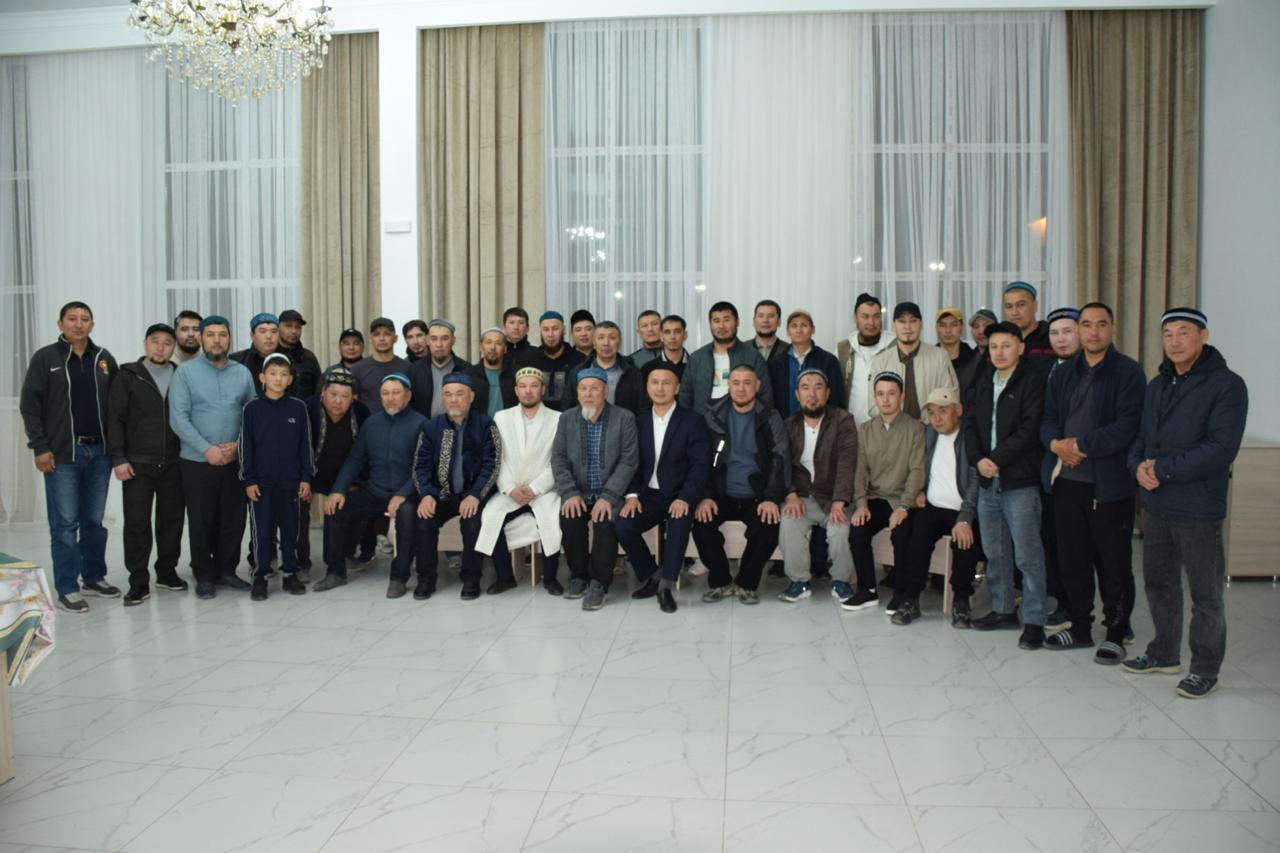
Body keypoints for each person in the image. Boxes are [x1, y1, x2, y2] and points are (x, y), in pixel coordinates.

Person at [1123, 307, 1248, 699]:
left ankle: (1205, 668)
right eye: (1168, 334)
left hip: (1198, 505)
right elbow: (1141, 437)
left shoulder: (1227, 385)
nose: (1175, 342)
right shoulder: (1157, 385)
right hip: (1156, 502)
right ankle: (1163, 653)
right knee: (1159, 583)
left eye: (1184, 332)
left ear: (1203, 336)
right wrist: (1137, 467)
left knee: (1205, 593)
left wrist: (1162, 469)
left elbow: (1221, 448)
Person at [1040, 302, 1144, 661]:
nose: (1094, 332)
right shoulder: (1063, 373)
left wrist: (1080, 446)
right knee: (1073, 560)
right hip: (1067, 481)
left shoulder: (1128, 372)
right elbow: (1048, 418)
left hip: (1109, 486)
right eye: (1087, 325)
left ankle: (1115, 631)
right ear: (1079, 330)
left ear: (1112, 328)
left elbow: (1128, 426)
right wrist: (1056, 445)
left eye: (1101, 324)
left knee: (1114, 564)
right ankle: (1080, 627)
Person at [20, 301, 121, 612]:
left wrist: (117, 449)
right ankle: (67, 587)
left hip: (100, 452)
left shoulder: (104, 359)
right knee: (64, 524)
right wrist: (40, 447)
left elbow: (118, 406)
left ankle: (94, 577)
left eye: (85, 319)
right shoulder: (46, 358)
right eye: (72, 318)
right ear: (60, 323)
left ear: (92, 324)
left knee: (94, 521)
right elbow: (30, 406)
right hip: (63, 453)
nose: (79, 324)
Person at [964, 321, 1048, 650]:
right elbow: (971, 423)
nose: (999, 352)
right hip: (988, 480)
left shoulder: (1032, 380)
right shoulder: (985, 379)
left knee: (1027, 555)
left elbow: (1029, 430)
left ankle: (1035, 619)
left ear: (1021, 348)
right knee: (995, 552)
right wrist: (978, 460)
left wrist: (996, 459)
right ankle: (1003, 609)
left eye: (1007, 345)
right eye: (994, 346)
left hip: (1019, 481)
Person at [168, 315, 256, 600]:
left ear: (229, 338)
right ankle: (204, 575)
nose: (217, 340)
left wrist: (238, 446)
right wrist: (207, 449)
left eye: (222, 335)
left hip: (234, 460)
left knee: (233, 518)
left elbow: (252, 415)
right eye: (211, 335)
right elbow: (178, 418)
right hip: (197, 461)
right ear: (201, 339)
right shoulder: (185, 373)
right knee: (201, 520)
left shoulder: (242, 373)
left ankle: (227, 571)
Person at [319, 374, 429, 595]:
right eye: (385, 393)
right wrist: (338, 490)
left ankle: (399, 578)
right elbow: (355, 459)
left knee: (407, 514)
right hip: (375, 491)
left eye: (396, 393)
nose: (390, 398)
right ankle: (335, 572)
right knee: (335, 508)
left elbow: (423, 468)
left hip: (406, 493)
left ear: (408, 396)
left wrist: (403, 494)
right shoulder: (372, 423)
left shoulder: (421, 424)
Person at [615, 361, 710, 614]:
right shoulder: (638, 421)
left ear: (677, 388)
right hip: (648, 495)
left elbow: (700, 466)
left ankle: (667, 586)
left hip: (680, 494)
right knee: (623, 524)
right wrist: (632, 496)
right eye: (654, 382)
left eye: (666, 383)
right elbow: (630, 463)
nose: (660, 388)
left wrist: (686, 498)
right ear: (647, 387)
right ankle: (652, 576)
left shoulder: (693, 421)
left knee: (678, 524)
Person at [693, 364, 789, 605]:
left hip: (757, 493)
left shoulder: (770, 417)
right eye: (736, 383)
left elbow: (780, 458)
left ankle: (747, 583)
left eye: (748, 383)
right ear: (729, 385)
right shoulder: (712, 415)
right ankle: (720, 581)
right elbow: (701, 460)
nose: (741, 388)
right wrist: (706, 496)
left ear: (757, 386)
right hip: (720, 492)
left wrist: (770, 498)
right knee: (701, 522)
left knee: (768, 525)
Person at [107, 322, 187, 605]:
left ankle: (166, 572)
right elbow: (115, 418)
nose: (161, 348)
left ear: (173, 347)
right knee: (137, 523)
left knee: (172, 521)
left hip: (174, 462)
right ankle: (138, 581)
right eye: (155, 341)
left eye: (167, 343)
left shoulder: (181, 375)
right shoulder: (129, 375)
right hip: (138, 463)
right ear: (145, 344)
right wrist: (119, 458)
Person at [551, 367, 639, 611]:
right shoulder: (567, 419)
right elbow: (558, 458)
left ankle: (599, 583)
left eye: (594, 388)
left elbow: (629, 461)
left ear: (605, 391)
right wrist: (569, 493)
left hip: (610, 492)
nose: (588, 394)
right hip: (578, 491)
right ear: (577, 392)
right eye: (583, 389)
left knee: (606, 523)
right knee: (570, 519)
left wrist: (608, 497)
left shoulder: (624, 418)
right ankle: (579, 576)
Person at [413, 373, 502, 600]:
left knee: (473, 522)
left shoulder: (486, 425)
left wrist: (475, 495)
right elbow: (420, 466)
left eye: (459, 394)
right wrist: (426, 494)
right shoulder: (430, 427)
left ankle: (471, 578)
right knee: (424, 520)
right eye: (448, 394)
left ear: (471, 397)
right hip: (441, 494)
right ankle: (426, 578)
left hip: (473, 494)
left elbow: (492, 465)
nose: (453, 400)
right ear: (443, 398)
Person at [477, 367, 565, 595]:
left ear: (542, 389)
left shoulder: (558, 419)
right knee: (490, 516)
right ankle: (505, 577)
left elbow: (558, 460)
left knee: (551, 520)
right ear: (516, 390)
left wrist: (536, 488)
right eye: (523, 387)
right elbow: (498, 458)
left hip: (544, 490)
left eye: (533, 386)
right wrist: (509, 488)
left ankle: (551, 578)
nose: (528, 391)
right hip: (511, 489)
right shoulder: (501, 417)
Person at [898, 388, 981, 627]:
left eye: (943, 411)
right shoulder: (928, 434)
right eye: (932, 413)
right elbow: (917, 467)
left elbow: (975, 480)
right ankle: (911, 598)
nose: (937, 418)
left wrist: (965, 518)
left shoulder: (970, 438)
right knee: (916, 536)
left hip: (962, 510)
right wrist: (919, 491)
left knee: (965, 541)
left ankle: (961, 601)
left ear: (958, 410)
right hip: (933, 507)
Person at [846, 371, 925, 612]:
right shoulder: (866, 429)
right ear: (875, 397)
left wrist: (904, 506)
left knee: (902, 535)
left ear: (902, 396)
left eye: (891, 393)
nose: (886, 399)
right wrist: (861, 504)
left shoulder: (915, 428)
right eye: (880, 394)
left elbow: (917, 470)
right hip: (876, 497)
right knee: (858, 530)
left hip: (904, 499)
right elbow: (860, 470)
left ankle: (901, 592)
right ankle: (867, 590)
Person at [778, 369, 857, 603]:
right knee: (789, 521)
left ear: (828, 393)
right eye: (805, 388)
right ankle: (799, 582)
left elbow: (847, 462)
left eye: (818, 387)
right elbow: (782, 464)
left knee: (841, 529)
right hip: (802, 495)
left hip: (834, 496)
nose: (812, 394)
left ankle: (841, 580)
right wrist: (791, 494)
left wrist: (840, 500)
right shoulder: (788, 425)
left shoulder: (842, 420)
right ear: (797, 394)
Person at [240, 354, 312, 601]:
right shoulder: (252, 409)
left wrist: (306, 477)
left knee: (291, 530)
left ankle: (290, 572)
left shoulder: (298, 408)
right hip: (261, 484)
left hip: (291, 483)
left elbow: (305, 445)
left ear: (290, 379)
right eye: (273, 373)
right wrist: (249, 479)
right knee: (262, 531)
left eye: (283, 374)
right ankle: (260, 575)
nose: (278, 379)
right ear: (262, 377)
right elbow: (246, 446)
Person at [303, 368, 370, 576]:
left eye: (345, 396)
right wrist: (303, 479)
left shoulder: (361, 412)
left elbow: (364, 453)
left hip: (344, 475)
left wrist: (355, 481)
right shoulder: (307, 408)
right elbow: (295, 448)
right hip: (310, 472)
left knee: (354, 500)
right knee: (296, 506)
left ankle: (344, 554)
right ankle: (300, 561)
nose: (338, 401)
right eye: (333, 394)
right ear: (323, 392)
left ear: (354, 398)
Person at [868, 301, 959, 421]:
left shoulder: (939, 357)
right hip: (893, 429)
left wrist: (929, 421)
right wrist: (898, 424)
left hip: (931, 427)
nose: (907, 327)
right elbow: (873, 406)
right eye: (902, 321)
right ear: (894, 325)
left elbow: (951, 397)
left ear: (921, 324)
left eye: (913, 321)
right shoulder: (880, 361)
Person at [679, 301, 773, 414]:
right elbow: (685, 397)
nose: (721, 326)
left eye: (726, 320)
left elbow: (765, 396)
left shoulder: (753, 356)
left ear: (737, 322)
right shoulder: (697, 358)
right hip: (702, 420)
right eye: (716, 321)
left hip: (740, 419)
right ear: (710, 324)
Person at [768, 309, 845, 416]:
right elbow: (771, 401)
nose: (799, 330)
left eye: (804, 325)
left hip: (820, 423)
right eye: (794, 326)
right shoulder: (776, 363)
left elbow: (836, 399)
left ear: (813, 330)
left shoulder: (828, 361)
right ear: (788, 331)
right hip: (784, 423)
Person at [563, 321, 644, 413]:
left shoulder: (633, 373)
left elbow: (642, 409)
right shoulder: (577, 372)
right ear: (594, 343)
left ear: (619, 342)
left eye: (612, 338)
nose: (606, 343)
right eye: (601, 338)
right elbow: (567, 407)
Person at [838, 293, 889, 426]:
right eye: (865, 317)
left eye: (876, 316)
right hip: (852, 429)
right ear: (855, 318)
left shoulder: (893, 346)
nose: (871, 323)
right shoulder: (842, 350)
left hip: (888, 429)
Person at [515, 310, 584, 410]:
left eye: (555, 329)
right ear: (540, 332)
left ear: (564, 330)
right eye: (546, 329)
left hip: (569, 417)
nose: (550, 334)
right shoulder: (528, 360)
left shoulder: (579, 360)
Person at [406, 318, 472, 419]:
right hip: (424, 427)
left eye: (445, 338)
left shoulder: (467, 370)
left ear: (453, 341)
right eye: (434, 339)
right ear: (427, 341)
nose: (439, 344)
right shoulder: (414, 370)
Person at [351, 317, 411, 413]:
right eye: (376, 334)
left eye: (387, 334)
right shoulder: (357, 368)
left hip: (401, 421)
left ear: (395, 338)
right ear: (371, 339)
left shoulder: (408, 368)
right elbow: (353, 403)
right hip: (367, 422)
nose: (381, 338)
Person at [1001, 281, 1055, 378]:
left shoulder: (1052, 337)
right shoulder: (999, 340)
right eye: (1009, 306)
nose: (1014, 312)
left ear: (1035, 306)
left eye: (1021, 305)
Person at [469, 326, 517, 417]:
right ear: (481, 347)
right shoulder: (470, 375)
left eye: (498, 343)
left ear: (505, 349)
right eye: (488, 342)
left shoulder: (516, 375)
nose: (493, 347)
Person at [936, 307, 982, 399]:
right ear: (937, 329)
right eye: (943, 325)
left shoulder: (976, 361)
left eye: (954, 325)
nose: (948, 330)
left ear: (962, 327)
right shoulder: (929, 360)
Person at [231, 313, 282, 396]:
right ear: (252, 335)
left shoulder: (289, 360)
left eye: (274, 331)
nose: (269, 336)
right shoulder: (236, 361)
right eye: (262, 331)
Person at [277, 309, 322, 399]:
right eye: (288, 326)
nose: (294, 331)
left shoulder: (309, 357)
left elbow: (318, 390)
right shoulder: (270, 355)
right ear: (278, 327)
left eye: (298, 327)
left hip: (305, 407)